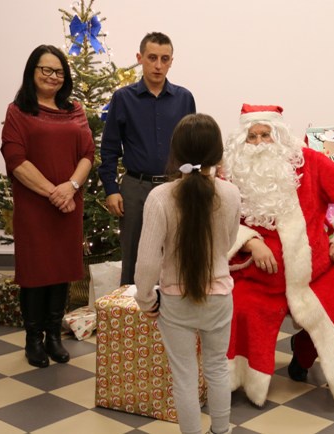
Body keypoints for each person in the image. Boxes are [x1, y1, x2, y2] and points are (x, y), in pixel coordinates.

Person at [223, 104, 334, 407]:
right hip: (254, 275)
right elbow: (217, 219)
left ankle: (303, 358)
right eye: (252, 137)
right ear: (242, 141)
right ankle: (240, 378)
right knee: (241, 312)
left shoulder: (310, 163)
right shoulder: (230, 170)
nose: (260, 143)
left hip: (313, 273)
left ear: (280, 137)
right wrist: (250, 241)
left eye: (267, 135)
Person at [134, 113, 239, 434]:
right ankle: (221, 430)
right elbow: (229, 243)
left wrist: (145, 299)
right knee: (218, 368)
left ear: (175, 152)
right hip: (219, 297)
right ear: (217, 154)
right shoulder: (231, 193)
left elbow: (147, 261)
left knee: (184, 376)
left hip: (175, 302)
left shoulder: (160, 197)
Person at [0, 45, 95, 368]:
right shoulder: (18, 111)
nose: (53, 77)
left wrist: (70, 187)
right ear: (32, 72)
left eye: (59, 72)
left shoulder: (75, 109)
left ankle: (54, 335)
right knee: (36, 272)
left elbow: (87, 154)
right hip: (35, 207)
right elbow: (15, 159)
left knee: (62, 271)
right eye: (46, 70)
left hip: (68, 204)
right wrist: (52, 192)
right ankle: (33, 339)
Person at [99, 31, 196, 285]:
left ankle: (172, 317)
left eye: (165, 59)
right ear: (140, 58)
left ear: (171, 61)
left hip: (174, 186)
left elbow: (192, 146)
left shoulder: (184, 98)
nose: (158, 65)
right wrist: (111, 188)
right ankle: (133, 318)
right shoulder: (123, 98)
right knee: (133, 253)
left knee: (175, 252)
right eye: (152, 58)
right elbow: (109, 148)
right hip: (135, 187)